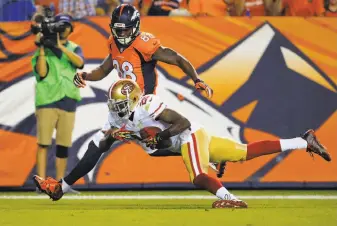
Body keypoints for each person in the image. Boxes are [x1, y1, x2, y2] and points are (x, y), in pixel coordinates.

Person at [33, 79, 331, 208]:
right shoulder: (114, 120)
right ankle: (303, 141)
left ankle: (230, 198)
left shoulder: (149, 104)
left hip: (189, 135)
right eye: (115, 104)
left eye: (122, 103)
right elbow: (91, 156)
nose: (117, 109)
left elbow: (183, 124)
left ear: (135, 99)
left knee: (198, 176)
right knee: (243, 152)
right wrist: (64, 185)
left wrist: (156, 136)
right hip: (179, 144)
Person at [73, 4, 212, 98]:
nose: (121, 34)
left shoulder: (144, 44)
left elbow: (177, 58)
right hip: (125, 101)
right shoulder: (113, 42)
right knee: (102, 141)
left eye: (125, 30)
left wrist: (196, 79)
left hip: (145, 103)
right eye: (118, 30)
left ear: (135, 26)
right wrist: (86, 75)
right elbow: (103, 70)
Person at [32, 13, 84, 181]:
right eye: (60, 25)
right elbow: (41, 72)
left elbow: (80, 63)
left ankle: (59, 182)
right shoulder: (44, 49)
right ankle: (41, 181)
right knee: (43, 143)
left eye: (66, 26)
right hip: (47, 99)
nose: (63, 29)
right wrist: (42, 47)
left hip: (68, 99)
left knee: (63, 145)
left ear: (71, 29)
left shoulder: (74, 47)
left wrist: (60, 47)